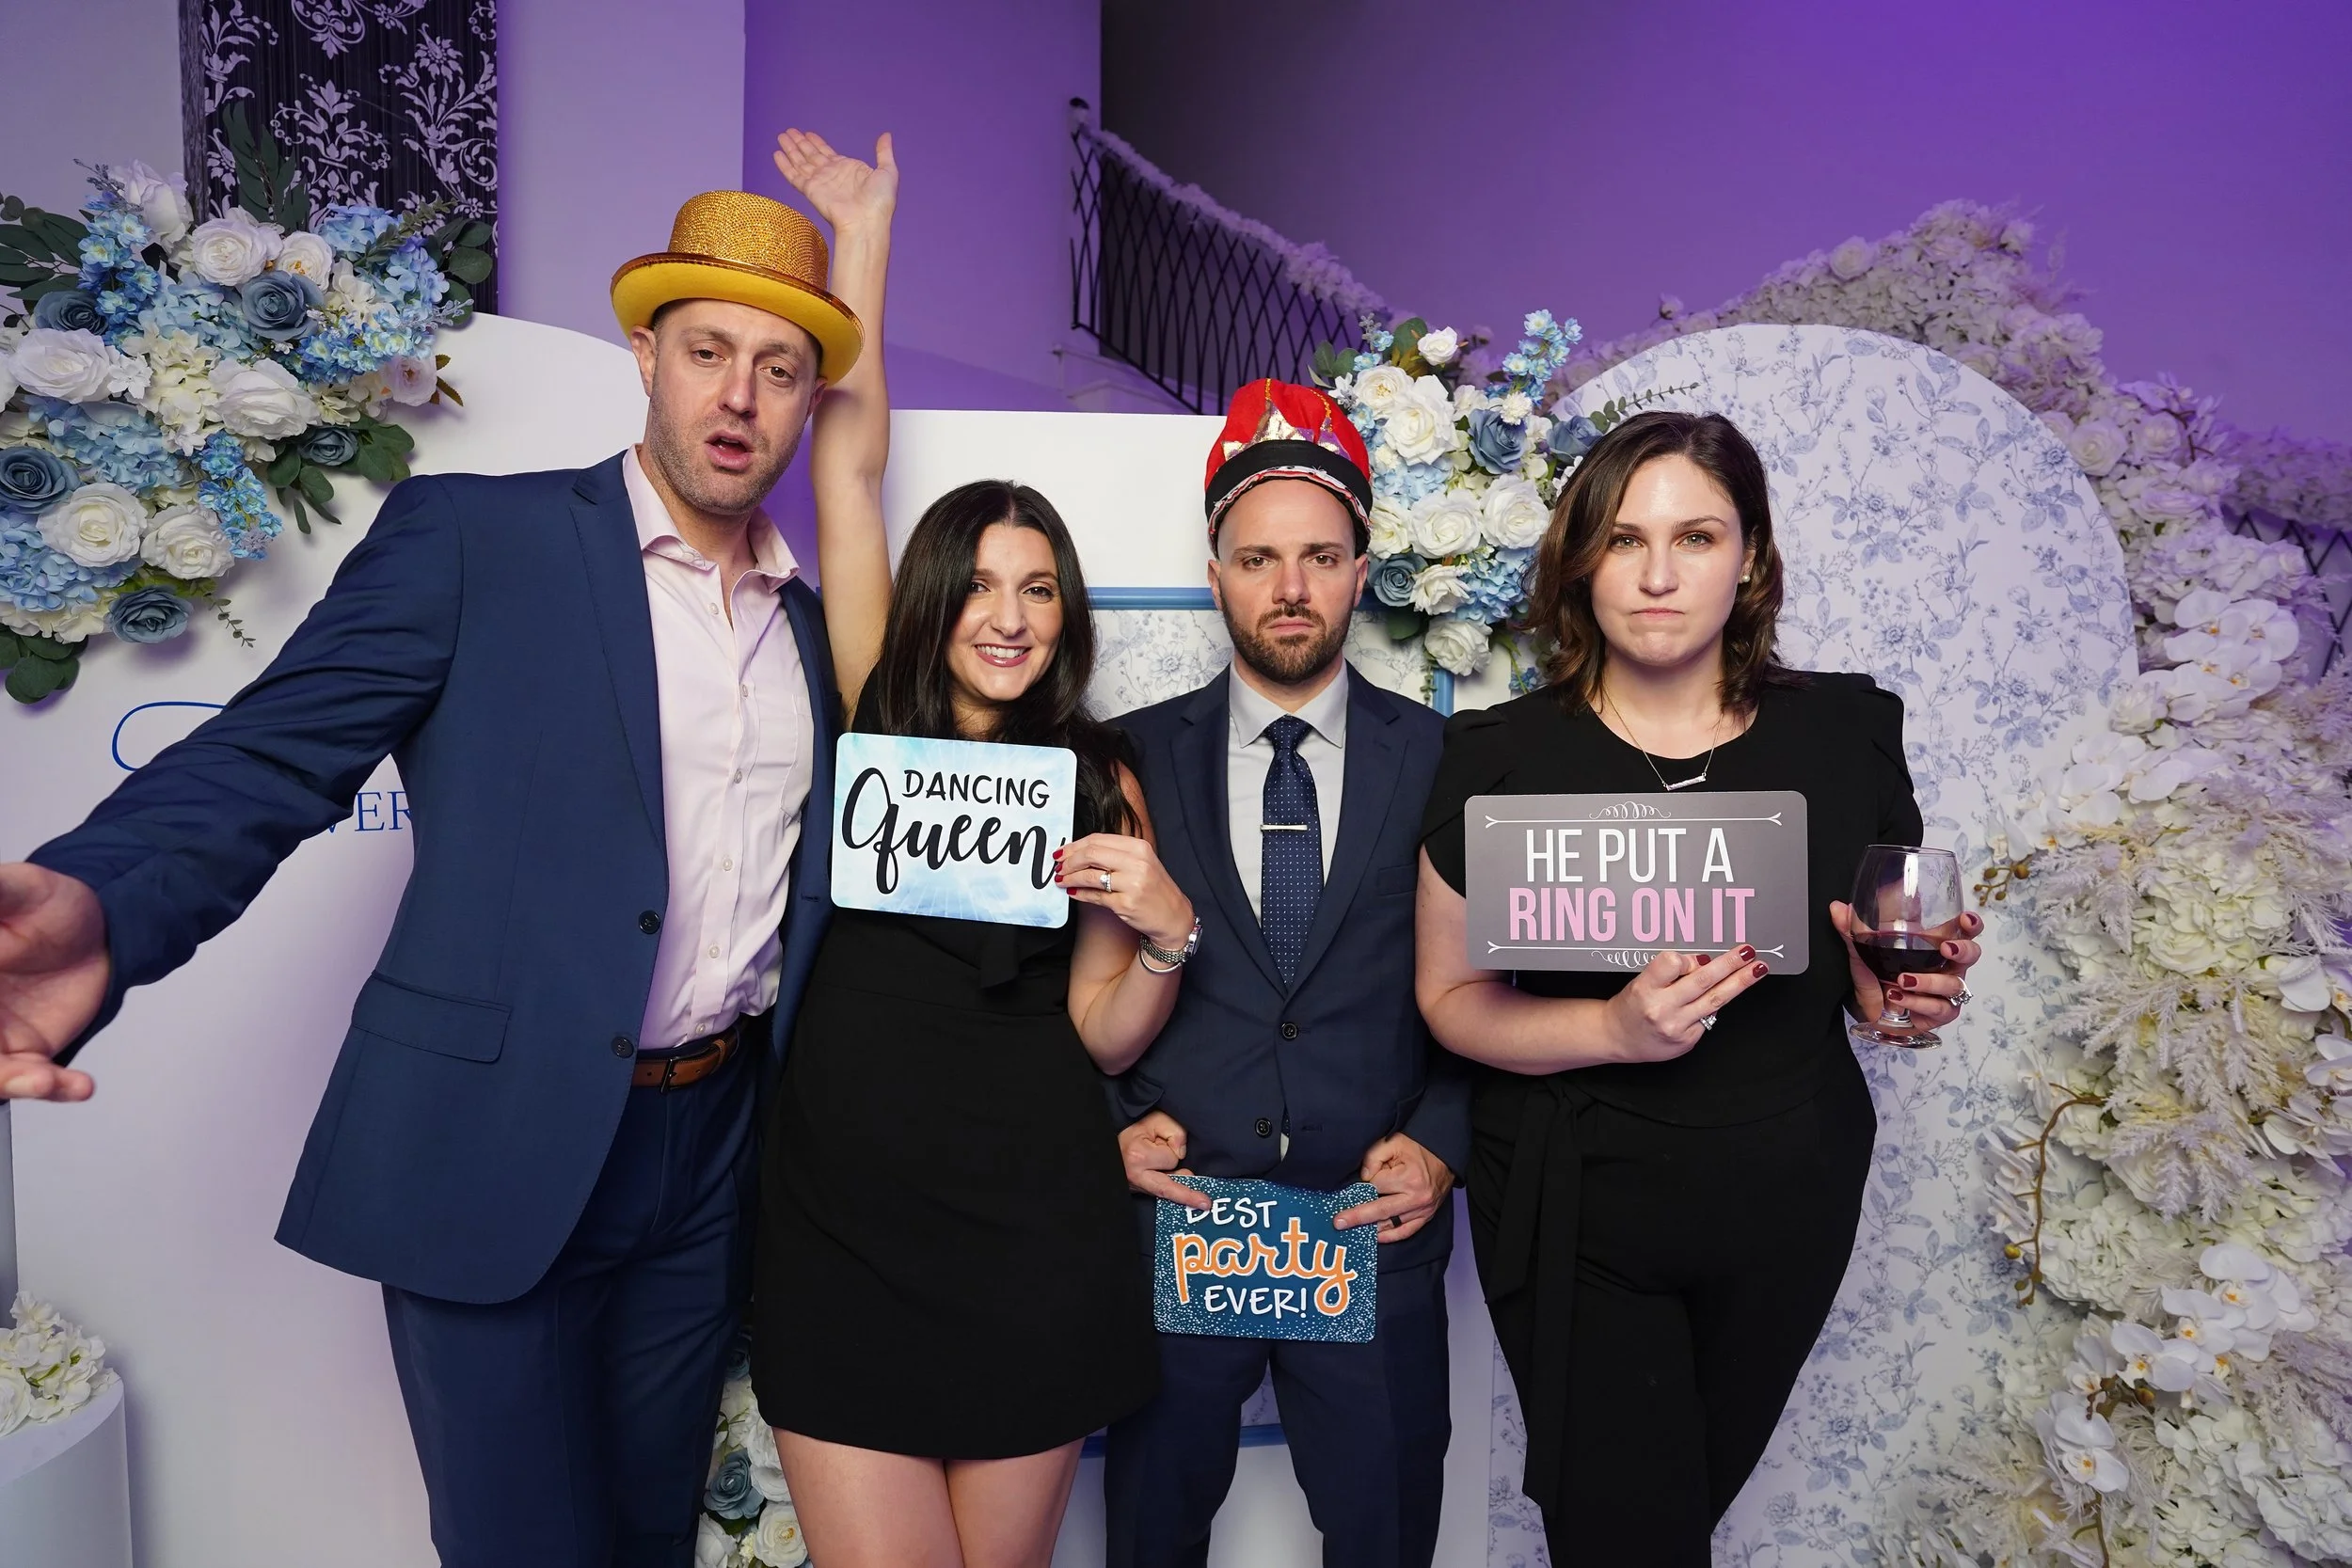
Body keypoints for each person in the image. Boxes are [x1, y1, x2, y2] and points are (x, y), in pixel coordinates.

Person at [0, 157, 879, 1565]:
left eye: (780, 368)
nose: (739, 395)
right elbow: (275, 753)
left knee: (653, 1530)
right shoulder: (479, 540)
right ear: (645, 355)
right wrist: (103, 900)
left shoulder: (816, 637)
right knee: (520, 1543)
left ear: (807, 400)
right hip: (501, 1142)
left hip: (710, 1152)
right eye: (709, 351)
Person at [1414, 410, 1987, 1564]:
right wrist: (1609, 1025)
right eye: (1625, 539)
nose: (1661, 573)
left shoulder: (1846, 737)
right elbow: (1448, 998)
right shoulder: (1499, 756)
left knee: (1679, 1516)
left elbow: (1878, 967)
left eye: (1698, 535)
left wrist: (1900, 997)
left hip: (1787, 1195)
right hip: (1576, 1202)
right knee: (1627, 1536)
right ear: (1579, 562)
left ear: (1752, 557)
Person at [752, 130, 1185, 1568]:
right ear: (939, 600)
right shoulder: (880, 700)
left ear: (1068, 617)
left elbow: (1104, 1034)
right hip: (845, 1218)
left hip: (1031, 1232)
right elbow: (853, 455)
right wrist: (863, 238)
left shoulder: (1101, 773)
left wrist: (1166, 922)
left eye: (1041, 589)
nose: (1010, 614)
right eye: (984, 584)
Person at [1101, 379, 1465, 1568]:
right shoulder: (1130, 755)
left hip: (1369, 1226)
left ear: (1363, 567)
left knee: (1383, 1539)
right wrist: (1111, 1123)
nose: (1290, 588)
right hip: (1185, 1223)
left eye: (1319, 556)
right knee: (1152, 1538)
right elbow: (1055, 986)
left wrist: (1445, 1142)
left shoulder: (1449, 763)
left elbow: (1501, 988)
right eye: (1258, 558)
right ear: (1215, 572)